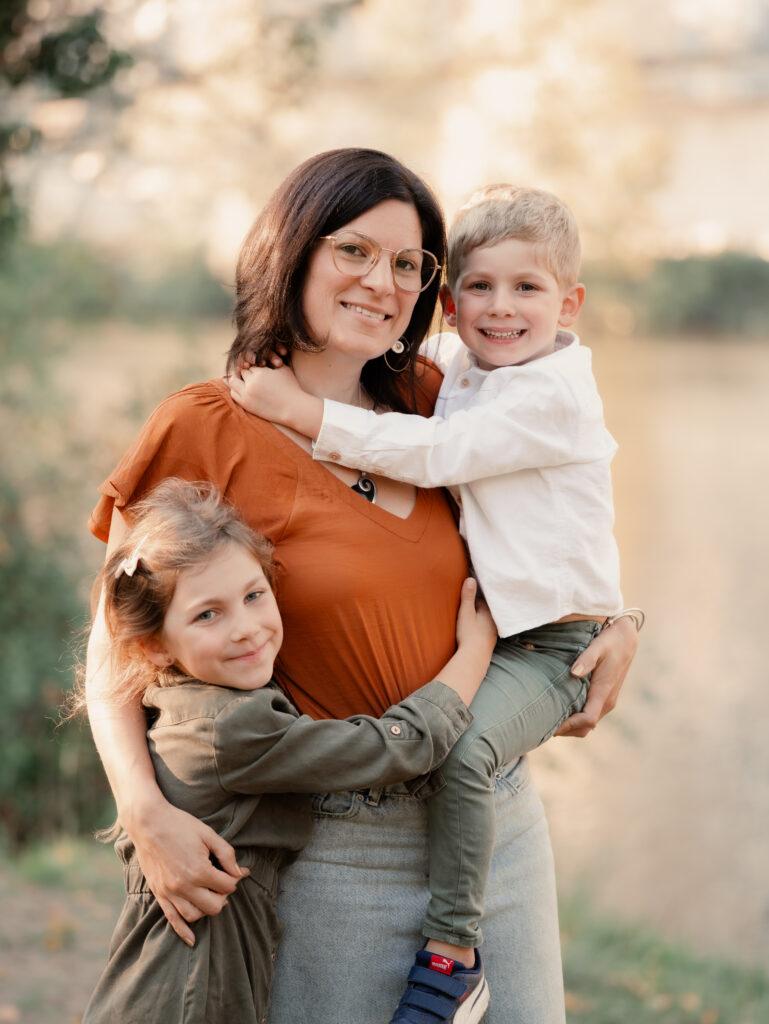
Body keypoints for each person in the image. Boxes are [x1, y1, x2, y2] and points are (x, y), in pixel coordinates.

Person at [85, 148, 639, 1024]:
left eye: (409, 265)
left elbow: (557, 506)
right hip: (336, 851)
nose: (382, 282)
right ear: (293, 252)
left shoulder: (441, 395)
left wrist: (620, 618)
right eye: (354, 251)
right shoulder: (204, 424)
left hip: (494, 824)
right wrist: (142, 811)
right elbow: (115, 641)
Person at [82, 478, 495, 1023]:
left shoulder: (179, 700)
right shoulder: (232, 728)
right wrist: (475, 650)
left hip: (175, 981)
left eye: (254, 596)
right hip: (189, 995)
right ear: (154, 645)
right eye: (208, 614)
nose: (247, 629)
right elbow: (395, 750)